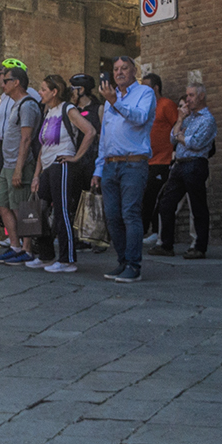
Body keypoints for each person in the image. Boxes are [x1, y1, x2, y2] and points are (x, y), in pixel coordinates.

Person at [92, 57, 155, 283]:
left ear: (134, 71)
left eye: (124, 69)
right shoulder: (112, 99)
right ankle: (122, 262)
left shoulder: (145, 94)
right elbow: (105, 137)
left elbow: (139, 118)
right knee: (112, 217)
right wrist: (98, 169)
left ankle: (134, 265)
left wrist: (114, 101)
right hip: (110, 163)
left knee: (130, 213)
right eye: (115, 69)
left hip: (133, 163)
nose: (119, 73)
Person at [29, 74, 97, 273]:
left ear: (54, 92)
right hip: (48, 166)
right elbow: (43, 147)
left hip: (63, 164)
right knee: (40, 208)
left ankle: (67, 259)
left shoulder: (68, 109)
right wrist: (36, 175)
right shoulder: (48, 112)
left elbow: (90, 131)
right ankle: (46, 255)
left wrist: (75, 158)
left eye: (43, 89)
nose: (40, 92)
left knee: (62, 211)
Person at [150, 83, 217, 259]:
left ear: (201, 96)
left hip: (195, 164)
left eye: (192, 95)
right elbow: (173, 137)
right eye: (187, 95)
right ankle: (165, 244)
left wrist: (182, 137)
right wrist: (179, 120)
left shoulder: (207, 120)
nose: (188, 99)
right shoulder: (188, 118)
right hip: (179, 164)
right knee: (166, 203)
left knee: (197, 206)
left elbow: (196, 143)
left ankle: (199, 247)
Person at [0, 66, 41, 265]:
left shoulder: (27, 105)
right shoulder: (15, 104)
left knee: (22, 208)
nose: (3, 84)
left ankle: (26, 250)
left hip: (19, 165)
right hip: (8, 164)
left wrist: (19, 168)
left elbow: (26, 139)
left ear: (16, 82)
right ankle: (15, 245)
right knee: (2, 203)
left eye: (7, 80)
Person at [142, 73, 178, 242]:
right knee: (146, 195)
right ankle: (150, 230)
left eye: (146, 87)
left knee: (154, 195)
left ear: (155, 88)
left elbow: (178, 128)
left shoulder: (166, 105)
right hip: (147, 160)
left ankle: (155, 231)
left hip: (163, 160)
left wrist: (174, 154)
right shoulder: (145, 107)